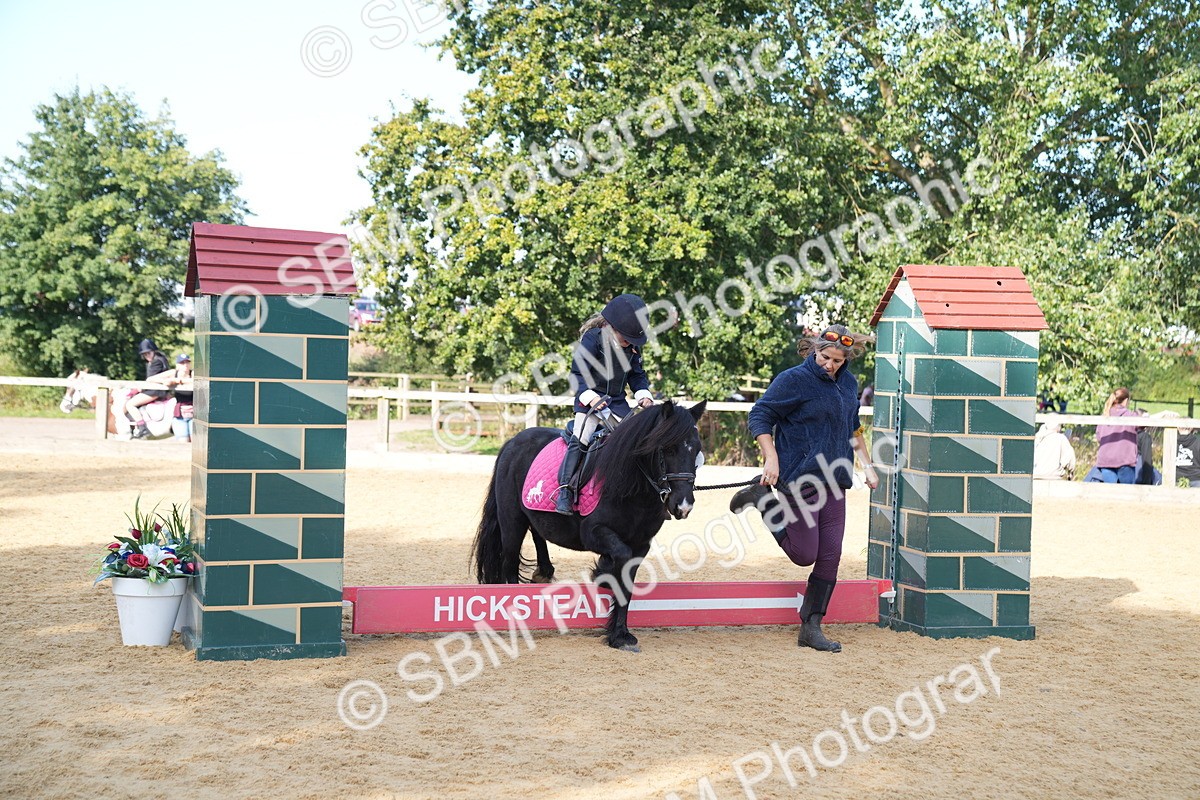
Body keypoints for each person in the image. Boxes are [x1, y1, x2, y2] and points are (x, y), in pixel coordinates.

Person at [729, 324, 879, 653]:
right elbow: (760, 415)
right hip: (799, 479)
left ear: (847, 358)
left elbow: (853, 427)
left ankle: (811, 626)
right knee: (804, 554)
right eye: (825, 357)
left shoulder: (849, 383)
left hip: (835, 481)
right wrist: (771, 458)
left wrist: (867, 466)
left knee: (830, 555)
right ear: (814, 349)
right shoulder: (794, 380)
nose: (830, 365)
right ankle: (763, 501)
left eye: (838, 360)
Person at [554, 294, 656, 514]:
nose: (630, 343)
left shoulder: (633, 347)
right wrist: (590, 397)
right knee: (582, 437)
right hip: (589, 400)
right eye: (626, 338)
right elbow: (578, 373)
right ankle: (565, 490)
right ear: (611, 327)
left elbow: (637, 376)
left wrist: (642, 394)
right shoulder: (592, 339)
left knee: (638, 441)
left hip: (617, 403)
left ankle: (647, 492)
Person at [124, 339, 171, 439]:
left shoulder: (156, 362)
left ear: (153, 351)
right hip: (155, 389)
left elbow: (150, 380)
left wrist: (138, 389)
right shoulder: (159, 359)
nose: (147, 356)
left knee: (130, 404)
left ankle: (142, 428)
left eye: (148, 353)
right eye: (145, 354)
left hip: (155, 391)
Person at [1092, 388, 1140, 483]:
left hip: (1106, 461)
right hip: (1124, 461)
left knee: (1110, 494)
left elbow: (1099, 437)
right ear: (1126, 400)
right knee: (1127, 494)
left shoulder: (1105, 415)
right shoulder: (1130, 416)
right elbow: (1144, 423)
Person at [163, 354, 194, 442]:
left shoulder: (193, 373)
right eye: (182, 363)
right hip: (179, 415)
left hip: (195, 414)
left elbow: (199, 380)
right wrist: (167, 381)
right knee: (182, 441)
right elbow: (151, 379)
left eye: (187, 362)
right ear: (177, 365)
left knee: (196, 442)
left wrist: (179, 381)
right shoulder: (174, 373)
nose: (185, 365)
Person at [1177, 423, 1200, 488]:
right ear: (1191, 427)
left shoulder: (1171, 442)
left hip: (1176, 480)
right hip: (1196, 479)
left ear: (1178, 427)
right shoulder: (1198, 442)